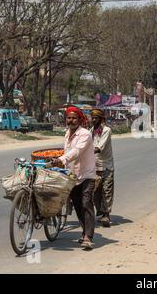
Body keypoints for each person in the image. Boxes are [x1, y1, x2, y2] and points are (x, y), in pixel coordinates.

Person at [52, 106, 96, 250]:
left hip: (87, 174)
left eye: (74, 118)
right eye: (69, 118)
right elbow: (67, 151)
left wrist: (62, 159)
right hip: (72, 175)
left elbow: (77, 151)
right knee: (77, 205)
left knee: (86, 203)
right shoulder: (67, 133)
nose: (71, 120)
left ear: (79, 120)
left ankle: (88, 237)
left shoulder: (85, 134)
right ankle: (84, 232)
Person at [90, 109, 114, 227]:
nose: (94, 120)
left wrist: (84, 152)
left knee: (106, 190)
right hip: (94, 166)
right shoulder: (90, 131)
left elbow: (99, 147)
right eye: (93, 118)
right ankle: (99, 211)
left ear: (101, 119)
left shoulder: (106, 130)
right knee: (95, 191)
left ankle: (106, 214)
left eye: (96, 118)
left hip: (106, 165)